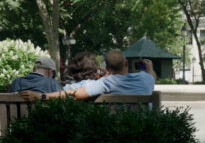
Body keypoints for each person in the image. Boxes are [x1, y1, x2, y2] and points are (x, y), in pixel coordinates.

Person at [20, 50, 156, 101]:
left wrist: (41, 96)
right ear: (126, 63)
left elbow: (75, 94)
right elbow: (152, 75)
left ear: (107, 68)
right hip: (143, 131)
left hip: (115, 133)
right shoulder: (146, 79)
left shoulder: (106, 82)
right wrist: (149, 68)